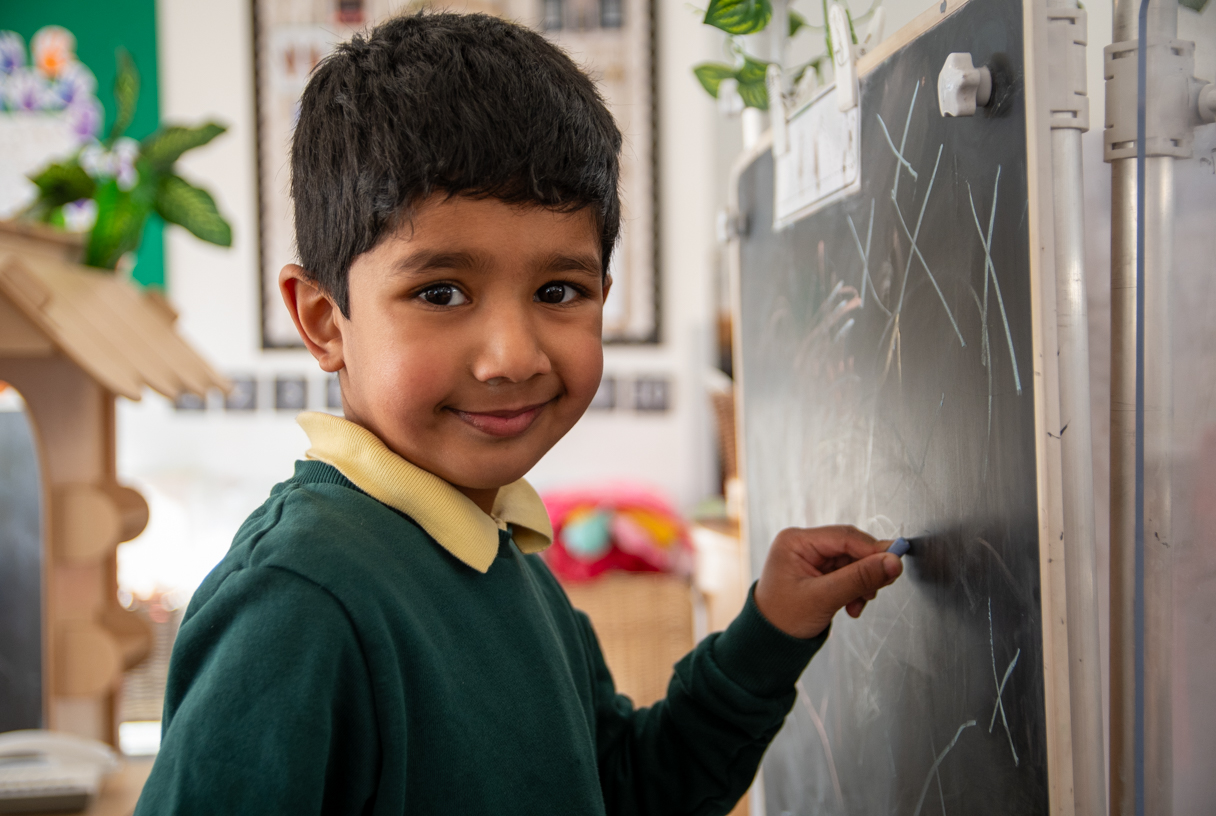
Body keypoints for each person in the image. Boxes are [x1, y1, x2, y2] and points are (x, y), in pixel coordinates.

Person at [134, 12, 903, 815]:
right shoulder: (298, 599)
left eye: (558, 292)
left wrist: (770, 633)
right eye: (440, 293)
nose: (513, 355)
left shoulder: (511, 560)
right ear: (326, 321)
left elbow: (627, 792)